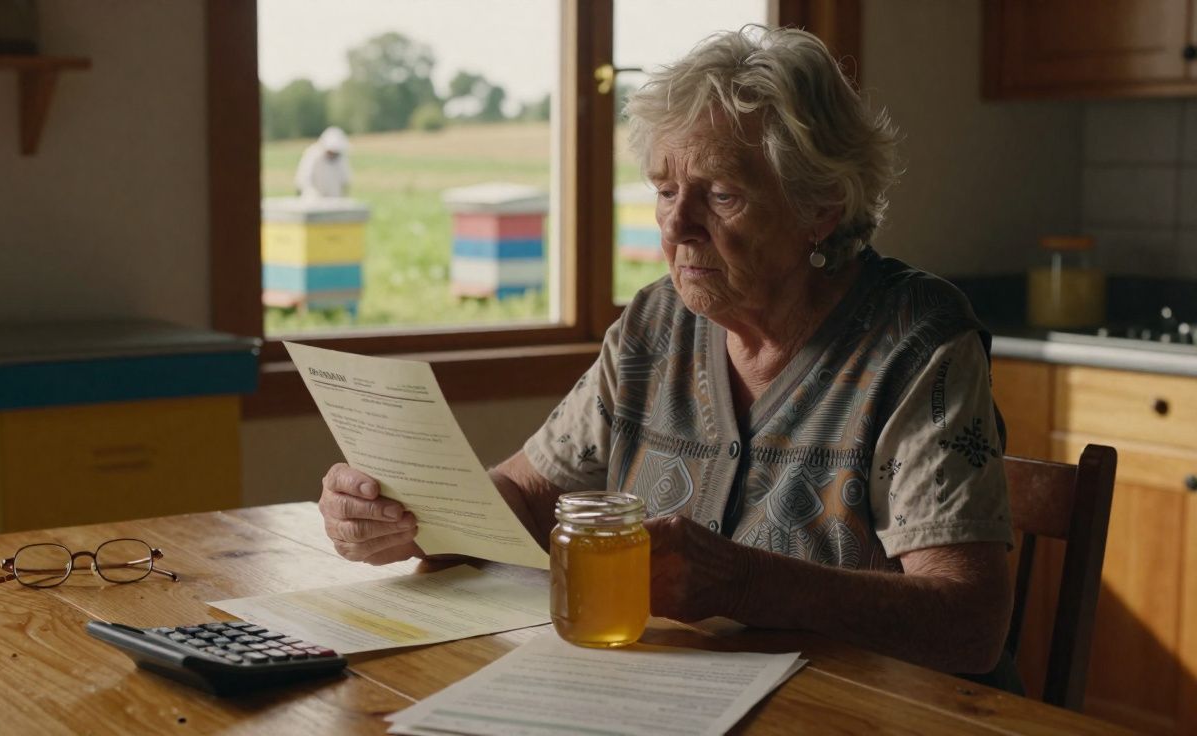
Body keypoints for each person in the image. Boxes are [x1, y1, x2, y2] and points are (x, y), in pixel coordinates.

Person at [317, 26, 1018, 688]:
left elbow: (969, 623)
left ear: (822, 206)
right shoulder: (657, 324)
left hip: (857, 714)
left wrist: (744, 581)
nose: (677, 225)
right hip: (662, 698)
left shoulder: (917, 341)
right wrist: (406, 515)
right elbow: (529, 498)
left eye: (720, 194)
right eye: (663, 190)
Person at [295, 126, 352, 199]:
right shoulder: (312, 155)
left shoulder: (341, 159)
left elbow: (345, 181)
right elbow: (303, 180)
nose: (333, 154)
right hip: (312, 202)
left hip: (334, 201)